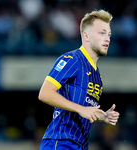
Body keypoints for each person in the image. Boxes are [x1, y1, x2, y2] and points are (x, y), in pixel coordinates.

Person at [38, 9, 120, 150]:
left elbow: (84, 109)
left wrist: (102, 117)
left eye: (109, 34)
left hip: (79, 145)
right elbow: (45, 93)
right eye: (102, 33)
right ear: (86, 36)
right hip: (61, 141)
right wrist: (81, 109)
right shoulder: (72, 60)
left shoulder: (97, 76)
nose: (107, 38)